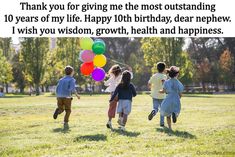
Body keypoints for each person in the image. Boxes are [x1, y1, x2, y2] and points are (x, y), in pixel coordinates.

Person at [148, 62, 167, 127]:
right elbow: (163, 83)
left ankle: (153, 111)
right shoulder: (164, 76)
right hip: (162, 95)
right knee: (162, 109)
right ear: (164, 69)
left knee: (155, 108)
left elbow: (149, 84)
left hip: (154, 94)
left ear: (157, 68)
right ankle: (162, 123)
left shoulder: (154, 75)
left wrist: (151, 89)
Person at [104, 65, 122, 129]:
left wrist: (103, 80)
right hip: (120, 94)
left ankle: (109, 121)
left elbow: (106, 84)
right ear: (120, 71)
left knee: (112, 108)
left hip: (113, 94)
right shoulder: (121, 77)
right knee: (121, 107)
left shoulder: (112, 78)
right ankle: (120, 120)